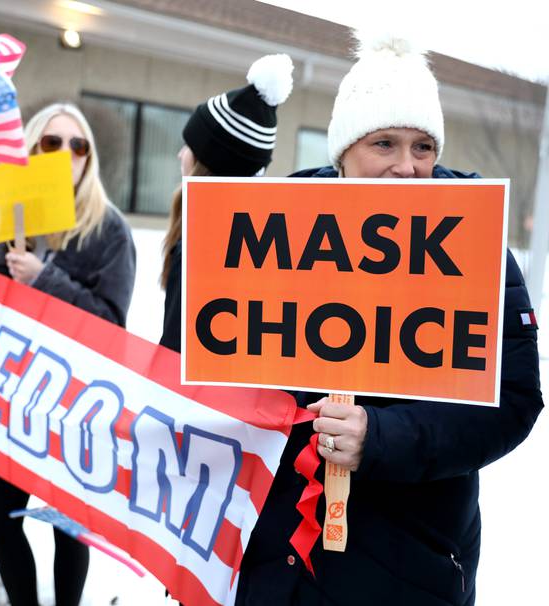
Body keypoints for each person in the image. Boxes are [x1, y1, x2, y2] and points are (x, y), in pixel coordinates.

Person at [234, 34, 543, 606]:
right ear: (344, 151)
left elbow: (514, 401)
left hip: (409, 563)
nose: (407, 168)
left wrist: (380, 439)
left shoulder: (476, 243)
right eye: (385, 144)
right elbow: (208, 362)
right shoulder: (279, 228)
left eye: (422, 147)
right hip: (279, 557)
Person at [0, 102, 137, 606]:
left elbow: (110, 325)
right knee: (0, 520)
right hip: (12, 391)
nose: (66, 153)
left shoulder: (109, 229)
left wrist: (44, 278)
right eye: (52, 142)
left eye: (78, 145)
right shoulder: (6, 212)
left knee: (67, 528)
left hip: (72, 403)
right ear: (30, 148)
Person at [160, 53, 295, 351]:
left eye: (189, 146)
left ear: (205, 162)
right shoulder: (253, 239)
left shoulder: (203, 246)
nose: (180, 154)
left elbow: (175, 352)